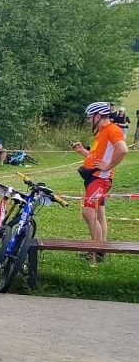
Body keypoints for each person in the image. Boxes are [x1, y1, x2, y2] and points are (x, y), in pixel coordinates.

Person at [71, 102, 128, 260]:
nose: (88, 120)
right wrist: (83, 151)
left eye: (90, 117)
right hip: (93, 177)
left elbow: (123, 149)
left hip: (100, 178)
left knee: (88, 212)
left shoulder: (112, 129)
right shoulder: (102, 131)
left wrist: (108, 167)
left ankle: (97, 251)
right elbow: (96, 156)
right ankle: (101, 249)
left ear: (98, 116)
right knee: (99, 213)